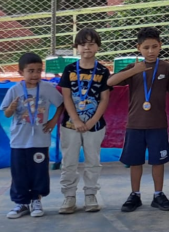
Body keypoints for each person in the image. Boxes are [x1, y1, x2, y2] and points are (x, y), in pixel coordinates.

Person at [108, 27, 169, 212]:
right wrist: (134, 70)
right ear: (138, 48)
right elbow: (110, 82)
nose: (150, 51)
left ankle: (158, 195)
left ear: (160, 46)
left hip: (157, 124)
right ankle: (135, 195)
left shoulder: (166, 68)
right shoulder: (134, 68)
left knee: (158, 161)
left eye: (154, 46)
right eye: (146, 47)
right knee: (135, 161)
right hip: (135, 124)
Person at [1, 53, 64, 219]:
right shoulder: (14, 90)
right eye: (31, 71)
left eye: (39, 70)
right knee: (19, 173)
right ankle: (21, 203)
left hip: (40, 140)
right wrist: (12, 108)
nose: (35, 74)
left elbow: (61, 104)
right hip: (19, 141)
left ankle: (36, 200)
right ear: (21, 72)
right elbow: (7, 114)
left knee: (39, 172)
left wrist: (53, 121)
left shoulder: (47, 88)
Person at [58, 28, 111, 214]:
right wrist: (76, 120)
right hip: (70, 125)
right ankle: (69, 196)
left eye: (91, 43)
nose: (86, 47)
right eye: (82, 44)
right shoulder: (70, 69)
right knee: (69, 161)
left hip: (95, 126)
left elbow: (104, 99)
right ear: (76, 47)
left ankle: (90, 194)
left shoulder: (103, 71)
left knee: (93, 161)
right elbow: (66, 97)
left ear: (97, 46)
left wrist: (91, 121)